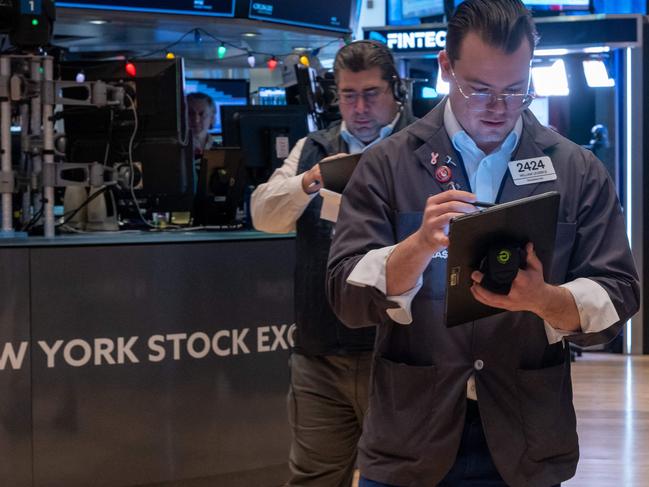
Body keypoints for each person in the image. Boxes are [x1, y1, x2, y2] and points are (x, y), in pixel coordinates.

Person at [326, 2, 640, 487]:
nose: (499, 107)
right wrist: (415, 249)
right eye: (479, 89)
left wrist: (546, 299)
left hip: (528, 440)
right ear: (446, 69)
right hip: (411, 438)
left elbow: (619, 296)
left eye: (516, 90)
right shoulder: (386, 164)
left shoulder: (576, 170)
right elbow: (345, 297)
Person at [250, 41, 417, 486]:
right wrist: (310, 180)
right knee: (314, 478)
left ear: (395, 90)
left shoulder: (424, 147)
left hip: (404, 354)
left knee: (408, 476)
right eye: (348, 95)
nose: (359, 108)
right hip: (321, 352)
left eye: (370, 93)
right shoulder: (313, 149)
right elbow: (264, 215)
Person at [187, 92, 217, 157]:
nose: (196, 120)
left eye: (202, 114)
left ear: (212, 118)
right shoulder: (172, 150)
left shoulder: (221, 149)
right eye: (190, 113)